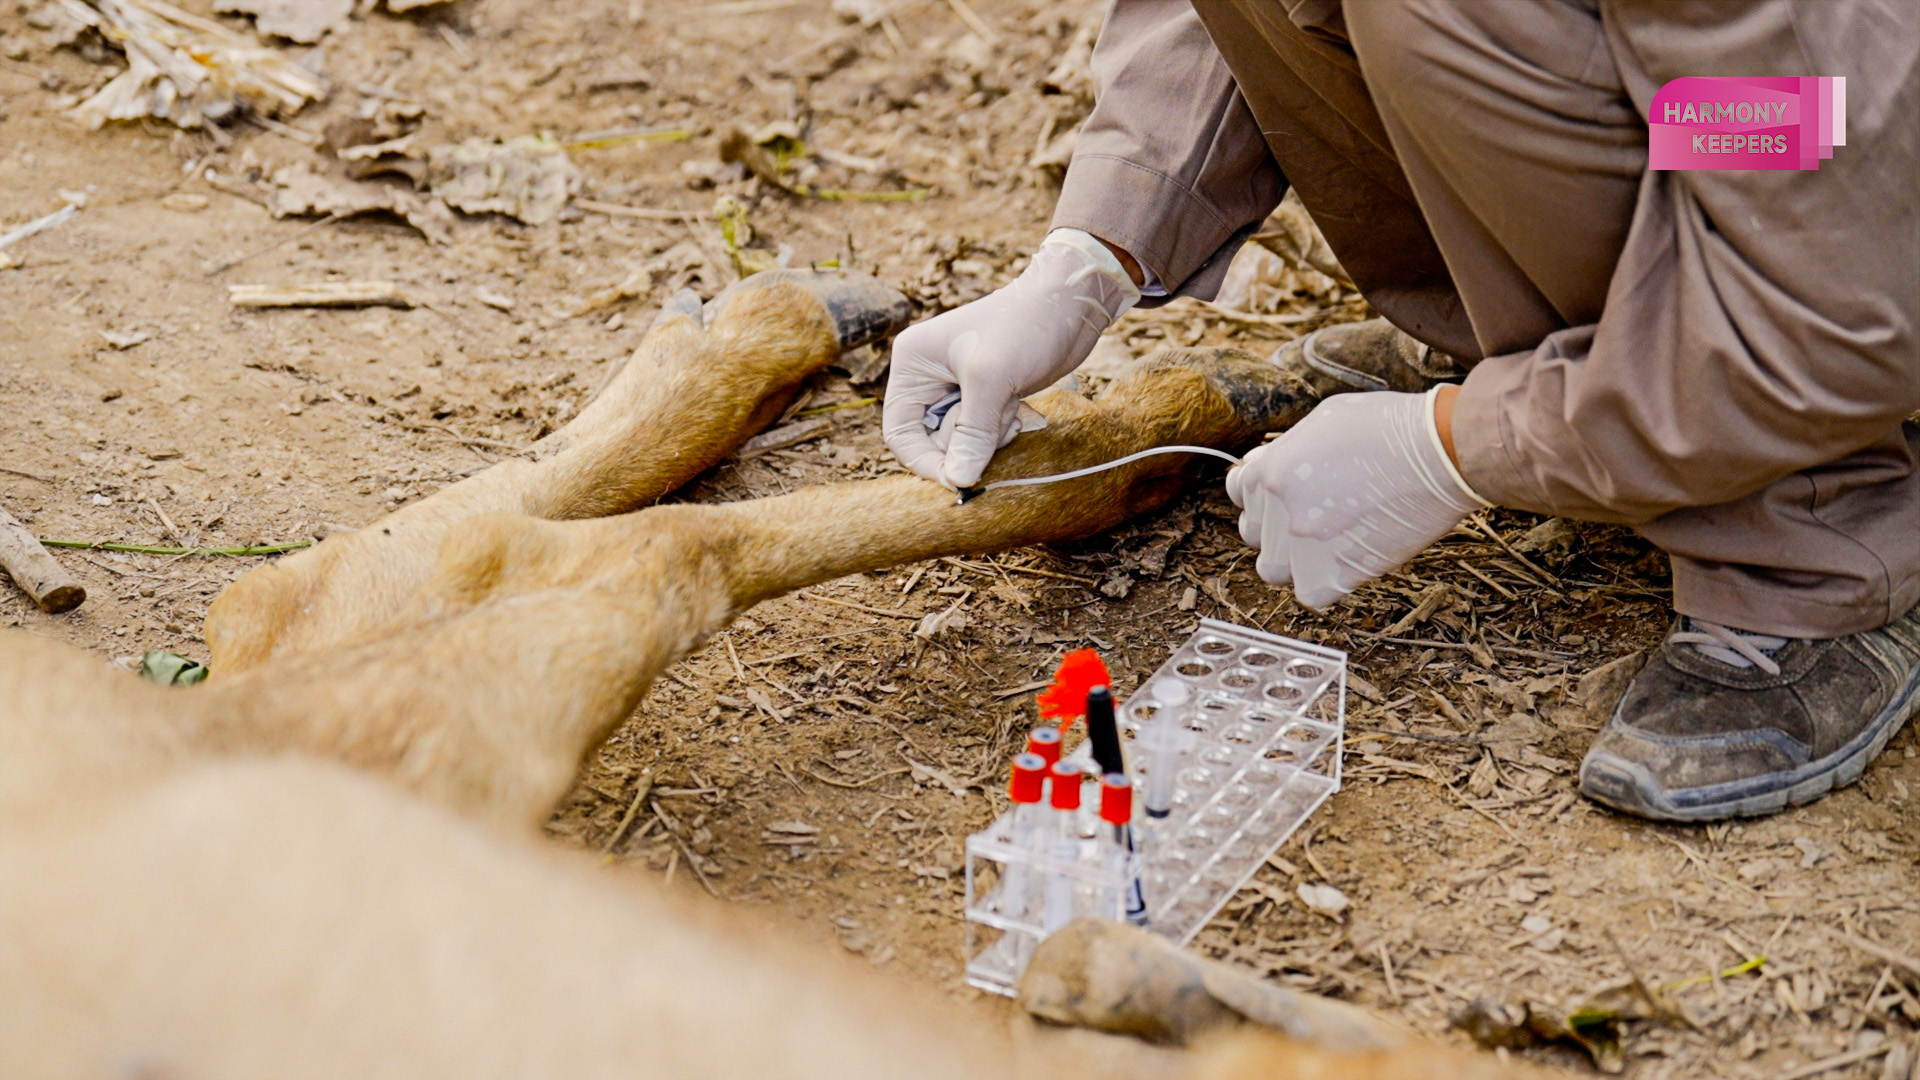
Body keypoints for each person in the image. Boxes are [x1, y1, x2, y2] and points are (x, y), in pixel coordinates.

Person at [882, 0, 1920, 823]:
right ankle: (1540, 340)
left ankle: (1820, 524)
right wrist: (1093, 256)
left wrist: (1457, 446)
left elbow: (1833, 307)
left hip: (1839, 213)